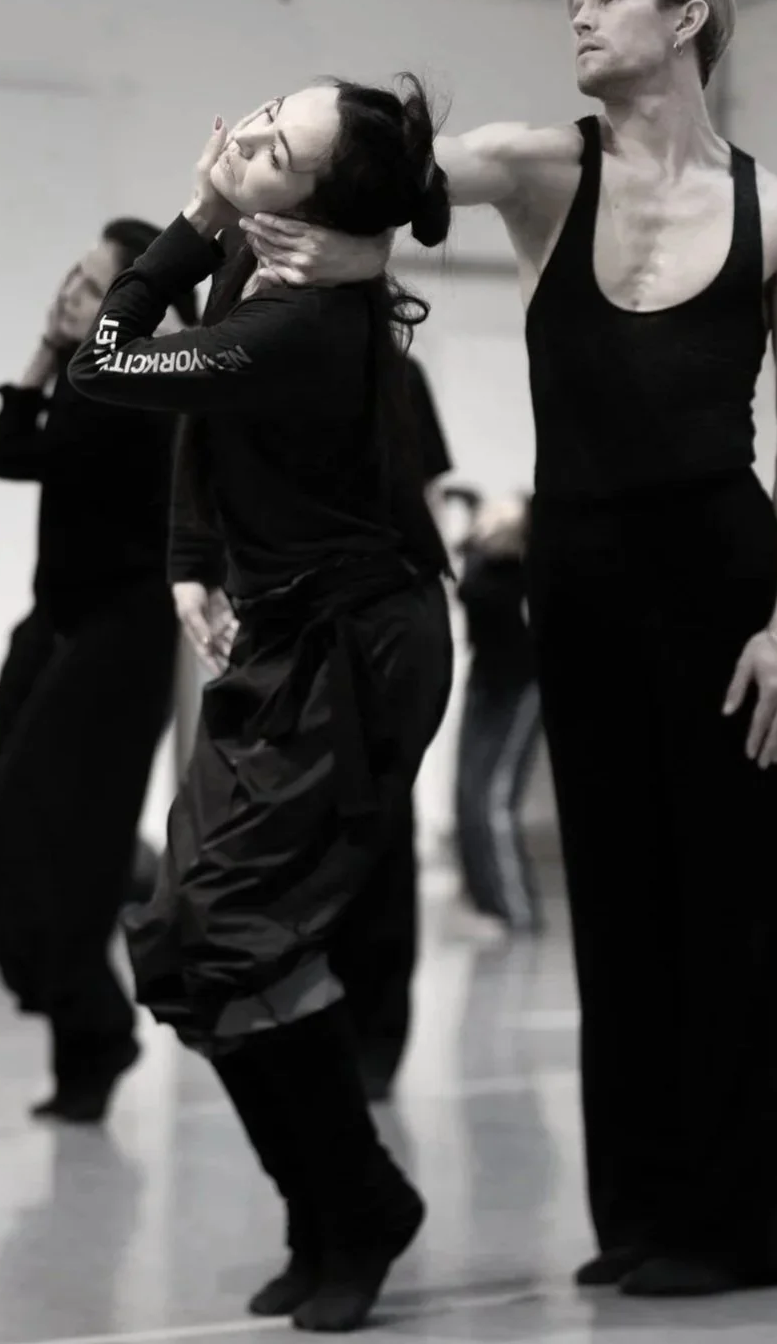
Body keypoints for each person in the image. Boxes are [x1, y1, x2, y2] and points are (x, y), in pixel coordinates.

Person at [238, 0, 777, 1299]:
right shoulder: (534, 167)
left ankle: (740, 1229)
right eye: (571, 2)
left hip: (720, 568)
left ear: (688, 15)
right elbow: (392, 174)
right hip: (577, 567)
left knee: (735, 902)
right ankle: (638, 1213)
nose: (580, 20)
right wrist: (275, 158)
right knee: (619, 899)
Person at [68, 74, 455, 1334]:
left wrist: (186, 219)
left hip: (354, 656)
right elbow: (201, 428)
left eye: (272, 144)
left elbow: (108, 362)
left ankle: (359, 1205)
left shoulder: (303, 320)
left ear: (314, 201)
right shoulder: (272, 283)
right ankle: (326, 1209)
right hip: (284, 640)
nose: (239, 138)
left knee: (239, 931)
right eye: (257, 116)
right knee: (185, 939)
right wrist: (193, 558)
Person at [0, 220, 190, 1125]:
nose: (69, 294)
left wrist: (79, 350)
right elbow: (5, 454)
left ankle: (90, 1035)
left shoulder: (133, 389)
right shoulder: (87, 373)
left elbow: (29, 450)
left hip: (123, 633)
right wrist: (48, 347)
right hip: (54, 621)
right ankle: (83, 1025)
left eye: (93, 288)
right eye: (73, 276)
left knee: (68, 844)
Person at [332, 351, 454, 1104]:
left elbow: (429, 493)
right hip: (294, 616)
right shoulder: (262, 353)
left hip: (382, 615)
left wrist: (421, 605)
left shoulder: (397, 375)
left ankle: (374, 1040)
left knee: (377, 827)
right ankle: (310, 1028)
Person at [450, 492, 542, 932]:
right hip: (485, 682)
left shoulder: (517, 562)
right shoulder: (480, 558)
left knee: (494, 800)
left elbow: (477, 585)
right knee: (468, 795)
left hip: (521, 684)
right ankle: (486, 905)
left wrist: (495, 527)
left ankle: (517, 913)